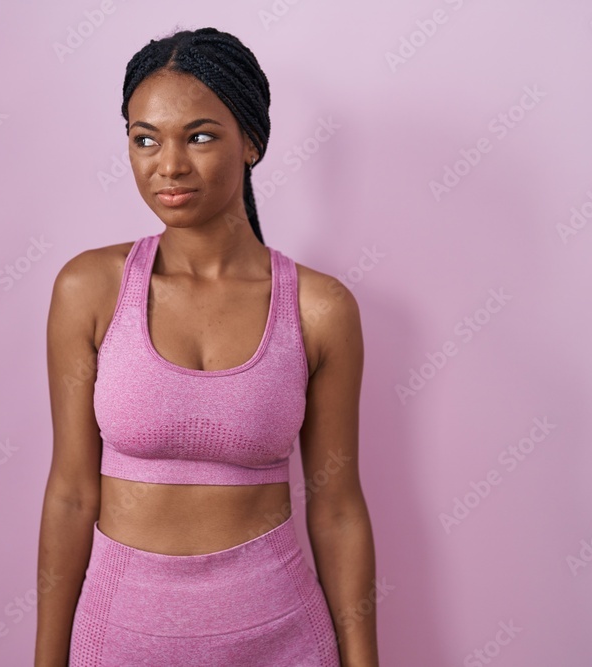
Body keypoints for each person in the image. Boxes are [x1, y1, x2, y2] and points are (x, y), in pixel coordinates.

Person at [35, 26, 378, 666]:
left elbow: (336, 508)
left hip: (284, 637)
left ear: (251, 141)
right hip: (120, 640)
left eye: (199, 135)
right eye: (145, 139)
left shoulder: (320, 308)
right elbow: (72, 494)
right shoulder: (89, 289)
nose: (169, 165)